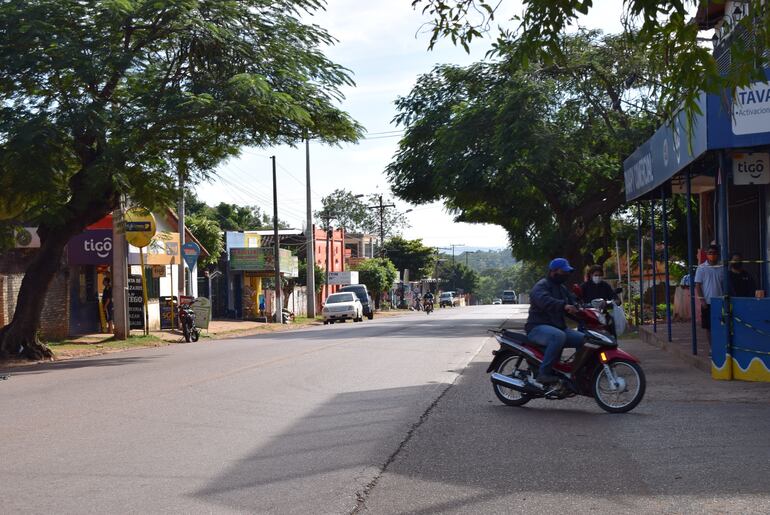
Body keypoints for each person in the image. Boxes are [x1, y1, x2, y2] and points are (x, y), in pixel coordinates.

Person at [525, 258, 583, 384]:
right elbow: (545, 301)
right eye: (564, 271)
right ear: (553, 271)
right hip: (537, 327)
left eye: (568, 272)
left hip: (557, 327)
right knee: (558, 336)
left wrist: (585, 308)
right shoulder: (541, 286)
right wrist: (564, 306)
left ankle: (578, 371)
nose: (566, 275)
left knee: (586, 340)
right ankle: (544, 373)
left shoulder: (561, 288)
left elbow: (572, 302)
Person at [694, 245, 723, 337]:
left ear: (718, 255)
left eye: (714, 253)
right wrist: (702, 300)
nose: (712, 255)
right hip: (707, 302)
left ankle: (720, 346)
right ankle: (712, 348)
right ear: (707, 254)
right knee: (709, 327)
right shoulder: (701, 268)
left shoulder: (722, 267)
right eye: (710, 253)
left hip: (720, 301)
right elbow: (698, 285)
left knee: (721, 325)